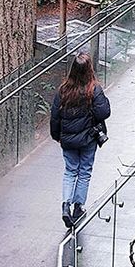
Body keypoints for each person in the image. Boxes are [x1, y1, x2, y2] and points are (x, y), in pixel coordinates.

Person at [49, 50, 111, 231]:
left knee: (70, 171)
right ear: (89, 69)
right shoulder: (94, 89)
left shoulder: (63, 90)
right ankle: (78, 206)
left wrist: (56, 135)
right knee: (84, 171)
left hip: (67, 140)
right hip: (87, 140)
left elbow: (55, 116)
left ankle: (66, 205)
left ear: (73, 70)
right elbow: (104, 113)